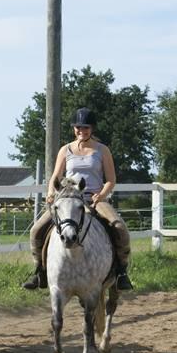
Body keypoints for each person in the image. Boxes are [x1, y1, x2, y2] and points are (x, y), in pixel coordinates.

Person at [22, 107, 133, 291]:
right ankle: (39, 271)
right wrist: (51, 193)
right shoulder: (65, 150)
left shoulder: (102, 150)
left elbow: (111, 180)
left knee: (119, 228)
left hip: (94, 199)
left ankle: (121, 272)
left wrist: (102, 195)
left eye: (86, 128)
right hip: (68, 199)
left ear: (92, 129)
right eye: (78, 128)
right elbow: (55, 177)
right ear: (74, 129)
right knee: (36, 230)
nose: (82, 131)